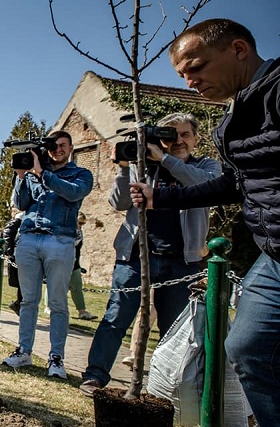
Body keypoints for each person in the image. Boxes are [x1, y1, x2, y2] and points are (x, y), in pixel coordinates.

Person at [130, 19, 280, 427]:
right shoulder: (233, 117)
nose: (189, 81)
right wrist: (160, 197)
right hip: (273, 256)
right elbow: (233, 185)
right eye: (182, 73)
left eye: (194, 67)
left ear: (239, 49)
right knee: (248, 346)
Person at [80, 112, 221, 397]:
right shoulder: (143, 166)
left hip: (183, 261)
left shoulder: (207, 166)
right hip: (136, 256)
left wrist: (165, 159)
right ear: (161, 138)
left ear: (195, 139)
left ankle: (163, 389)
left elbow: (203, 187)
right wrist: (124, 168)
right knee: (116, 318)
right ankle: (95, 376)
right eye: (172, 135)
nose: (179, 141)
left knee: (173, 331)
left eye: (185, 135)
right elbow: (118, 203)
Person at [3, 131, 93, 379]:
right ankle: (24, 350)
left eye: (62, 145)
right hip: (29, 237)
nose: (57, 150)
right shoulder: (34, 173)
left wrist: (43, 174)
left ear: (71, 148)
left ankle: (56, 358)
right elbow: (21, 204)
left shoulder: (80, 174)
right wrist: (21, 176)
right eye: (53, 146)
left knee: (57, 303)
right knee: (28, 300)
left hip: (60, 239)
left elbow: (73, 193)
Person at [2, 210, 24, 314]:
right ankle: (19, 305)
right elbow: (7, 231)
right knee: (23, 284)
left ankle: (18, 304)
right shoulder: (20, 217)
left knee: (24, 284)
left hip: (25, 252)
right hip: (20, 253)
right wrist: (9, 250)